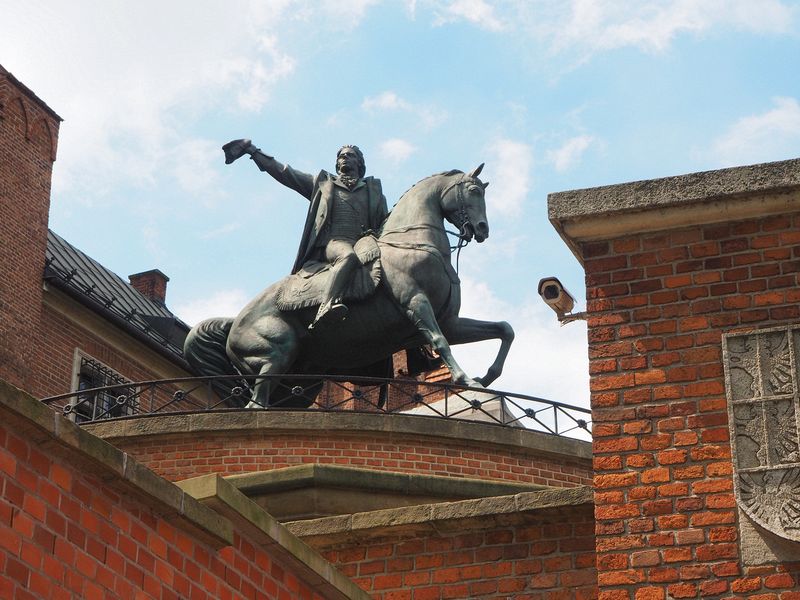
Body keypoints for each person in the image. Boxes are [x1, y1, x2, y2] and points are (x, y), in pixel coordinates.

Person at [223, 139, 389, 329]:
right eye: (341, 156)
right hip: (335, 243)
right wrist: (252, 151)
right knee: (347, 257)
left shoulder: (373, 191)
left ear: (359, 162)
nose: (344, 158)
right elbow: (286, 173)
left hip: (364, 244)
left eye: (349, 155)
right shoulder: (323, 184)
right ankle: (326, 306)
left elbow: (384, 225)